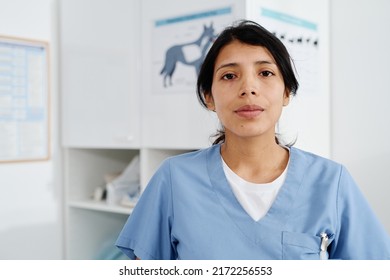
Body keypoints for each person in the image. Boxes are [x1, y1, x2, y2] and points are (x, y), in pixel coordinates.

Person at [115, 20, 390, 260]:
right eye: (229, 76)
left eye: (266, 73)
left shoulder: (331, 182)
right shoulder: (174, 179)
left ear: (287, 93)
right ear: (208, 97)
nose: (248, 88)